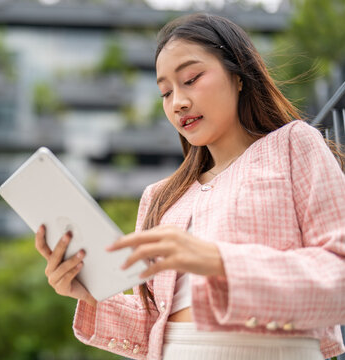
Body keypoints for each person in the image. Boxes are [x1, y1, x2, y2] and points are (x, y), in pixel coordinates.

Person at [34, 13, 345, 360]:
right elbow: (154, 326)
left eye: (191, 79)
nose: (177, 102)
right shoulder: (161, 198)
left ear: (239, 74)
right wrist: (88, 292)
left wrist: (219, 261)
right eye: (165, 92)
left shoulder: (293, 145)